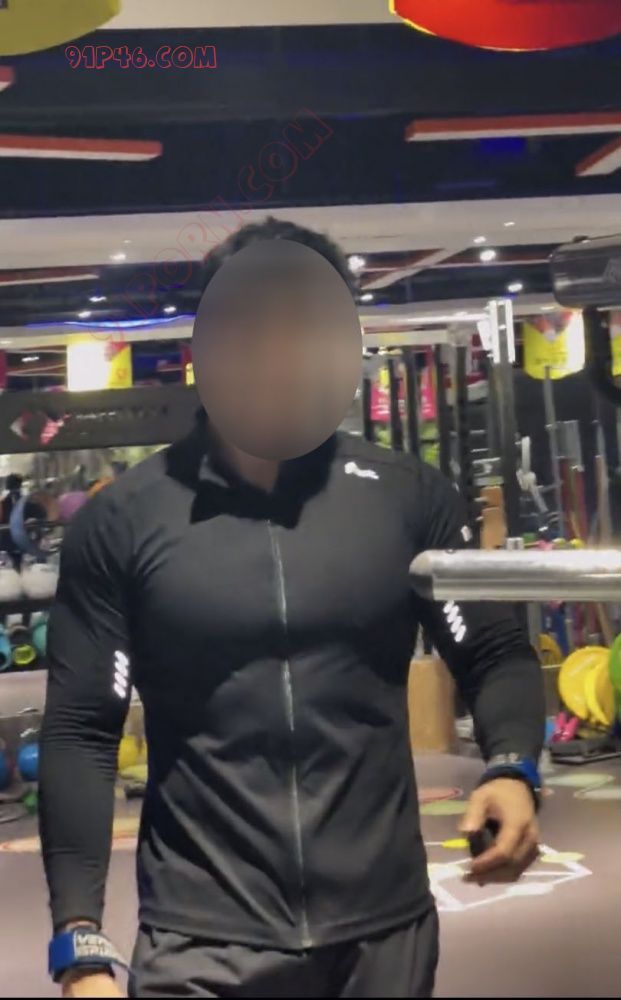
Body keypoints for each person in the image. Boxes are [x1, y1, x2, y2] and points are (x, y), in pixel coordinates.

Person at [39, 218, 545, 999]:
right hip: (201, 940)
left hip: (382, 935)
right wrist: (79, 942)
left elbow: (492, 652)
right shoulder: (124, 520)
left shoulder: (407, 498)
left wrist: (512, 766)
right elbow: (81, 730)